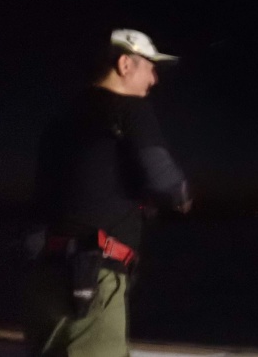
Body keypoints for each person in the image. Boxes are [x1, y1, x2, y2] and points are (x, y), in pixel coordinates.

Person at [24, 29, 192, 357]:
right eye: (150, 67)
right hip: (91, 282)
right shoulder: (130, 110)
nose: (155, 79)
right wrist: (181, 198)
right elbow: (168, 185)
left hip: (44, 279)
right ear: (125, 64)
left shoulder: (60, 121)